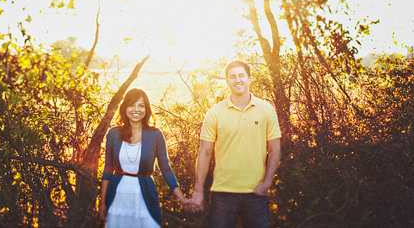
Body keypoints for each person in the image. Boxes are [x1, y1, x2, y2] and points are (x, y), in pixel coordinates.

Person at [191, 60, 282, 228]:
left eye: (241, 75)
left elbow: (275, 149)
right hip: (223, 192)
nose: (237, 80)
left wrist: (267, 183)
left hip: (256, 192)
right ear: (227, 81)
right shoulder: (214, 113)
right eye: (232, 77)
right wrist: (198, 191)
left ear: (249, 79)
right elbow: (204, 152)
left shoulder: (266, 110)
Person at [99, 88, 190, 227]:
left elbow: (166, 169)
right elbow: (107, 171)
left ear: (146, 109)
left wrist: (181, 198)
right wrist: (102, 203)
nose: (136, 109)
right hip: (117, 197)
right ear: (125, 107)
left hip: (145, 194)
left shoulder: (155, 135)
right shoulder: (113, 134)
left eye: (141, 105)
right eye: (132, 105)